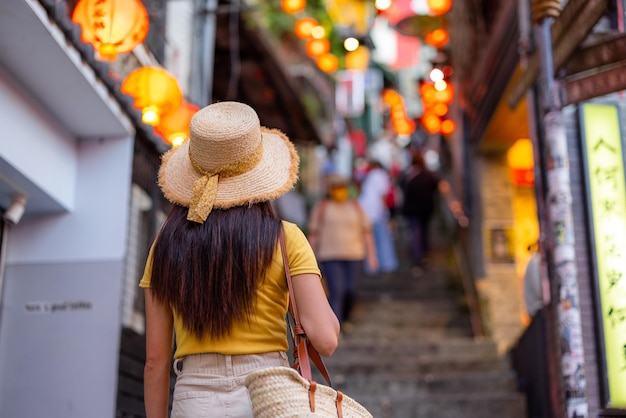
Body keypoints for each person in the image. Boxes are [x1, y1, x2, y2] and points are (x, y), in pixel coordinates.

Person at [139, 102, 340, 418]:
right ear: (259, 174)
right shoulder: (285, 238)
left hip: (194, 399)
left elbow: (155, 361)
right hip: (269, 395)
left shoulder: (165, 245)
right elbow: (325, 340)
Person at [307, 174, 378, 324]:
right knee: (336, 291)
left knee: (351, 290)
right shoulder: (322, 207)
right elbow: (313, 234)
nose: (340, 191)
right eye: (336, 188)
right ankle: (335, 325)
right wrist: (309, 257)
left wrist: (372, 255)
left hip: (354, 255)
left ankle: (346, 318)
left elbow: (367, 232)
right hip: (329, 255)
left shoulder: (356, 207)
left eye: (342, 187)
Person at [400, 149, 442, 272]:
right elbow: (437, 187)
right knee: (424, 232)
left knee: (415, 233)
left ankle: (417, 258)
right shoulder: (429, 175)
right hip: (426, 209)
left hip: (412, 210)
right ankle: (423, 255)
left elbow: (402, 187)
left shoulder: (408, 175)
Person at [358, 160, 399, 274]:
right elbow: (383, 195)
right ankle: (387, 264)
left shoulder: (370, 176)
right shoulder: (380, 175)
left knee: (370, 240)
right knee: (383, 239)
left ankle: (372, 266)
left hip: (366, 211)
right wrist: (385, 211)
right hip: (377, 212)